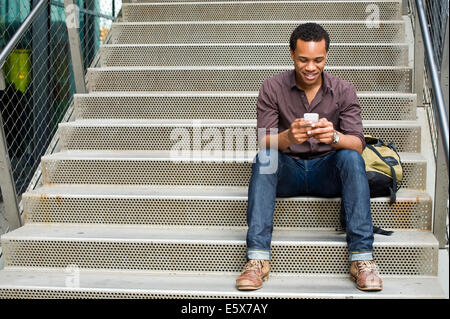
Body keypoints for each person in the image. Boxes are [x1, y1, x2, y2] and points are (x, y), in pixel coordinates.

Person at [235, 23, 382, 292]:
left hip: (328, 172)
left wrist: (334, 137)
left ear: (327, 56)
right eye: (303, 59)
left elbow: (358, 143)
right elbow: (264, 140)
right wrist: (289, 137)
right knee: (265, 157)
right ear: (291, 54)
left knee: (351, 158)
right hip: (288, 171)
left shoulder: (344, 89)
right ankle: (257, 259)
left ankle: (362, 259)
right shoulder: (272, 87)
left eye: (318, 60)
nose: (311, 67)